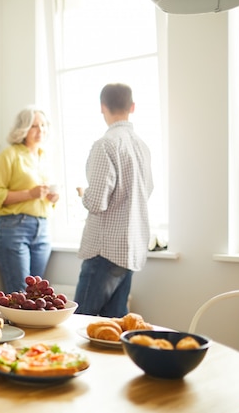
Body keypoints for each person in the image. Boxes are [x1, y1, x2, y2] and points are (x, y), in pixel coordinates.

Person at [74, 83, 154, 318]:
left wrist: (82, 193)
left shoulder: (105, 144)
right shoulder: (142, 147)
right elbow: (147, 190)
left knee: (79, 323)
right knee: (115, 326)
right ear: (132, 106)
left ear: (102, 107)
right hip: (129, 249)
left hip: (105, 250)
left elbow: (97, 202)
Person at [0, 107, 59, 294]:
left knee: (37, 294)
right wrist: (29, 194)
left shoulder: (45, 158)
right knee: (20, 294)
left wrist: (52, 198)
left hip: (42, 229)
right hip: (15, 228)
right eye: (34, 126)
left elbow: (41, 197)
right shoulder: (9, 155)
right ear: (23, 129)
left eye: (43, 125)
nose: (40, 130)